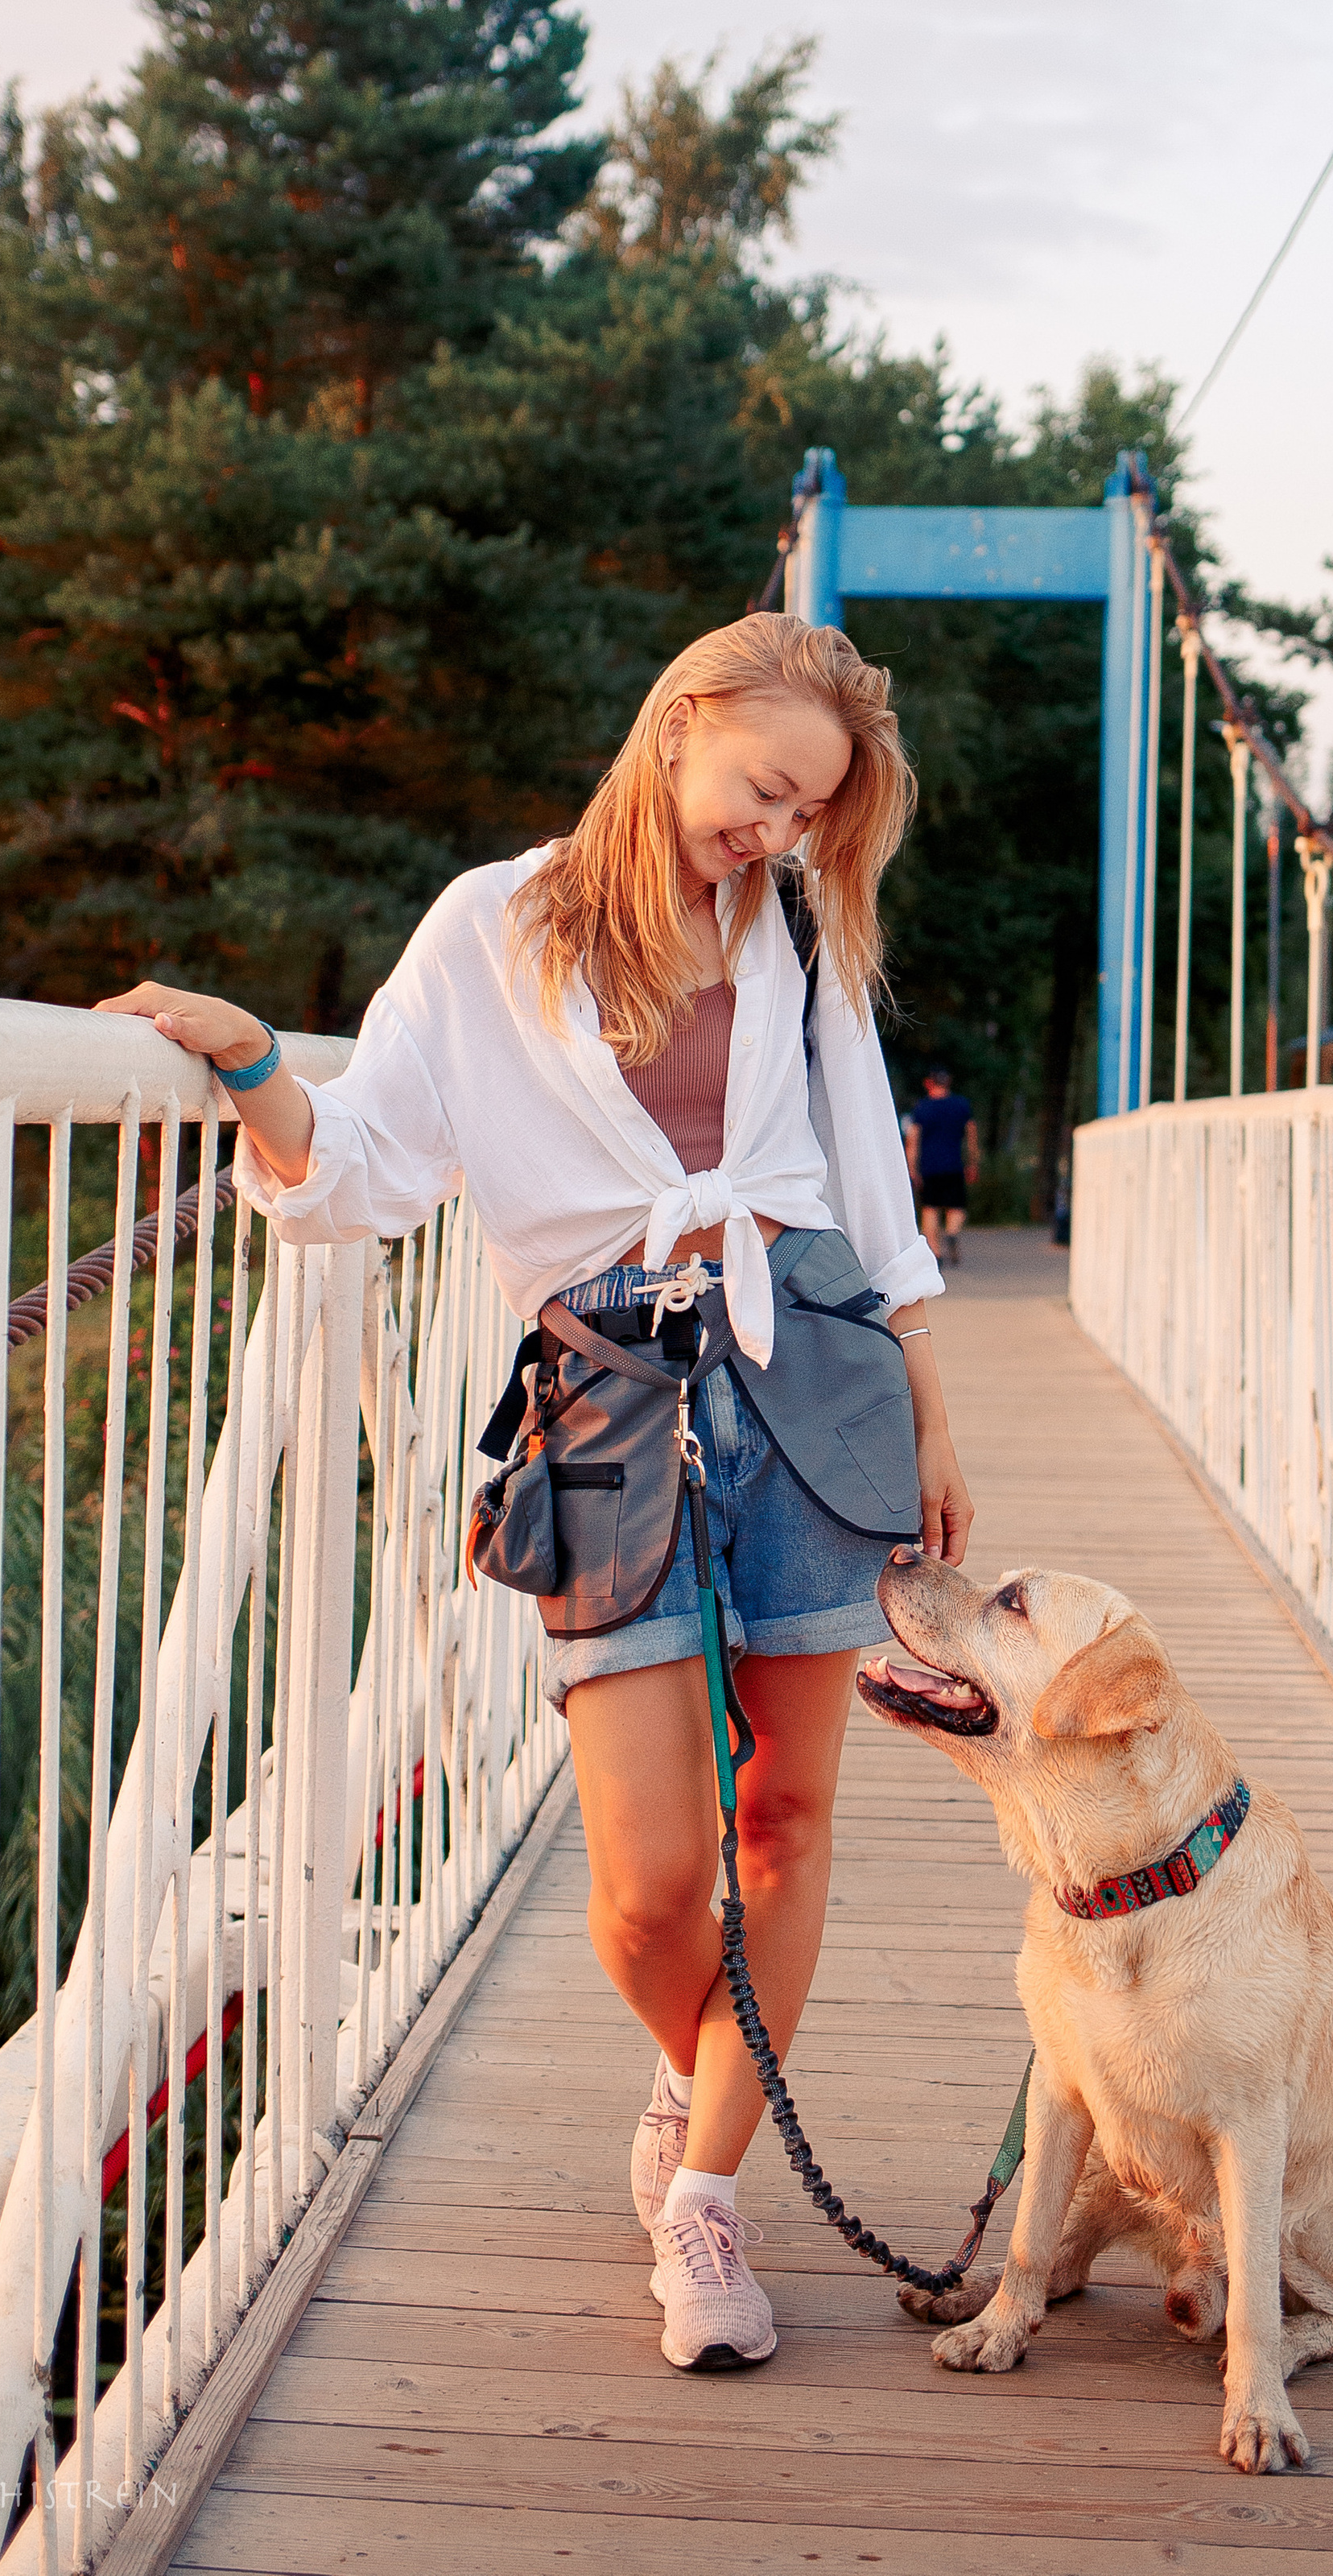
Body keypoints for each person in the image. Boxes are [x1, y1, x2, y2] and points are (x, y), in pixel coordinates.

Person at [97, 617, 973, 2376]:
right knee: (652, 1882)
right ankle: (692, 2068)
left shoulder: (797, 926)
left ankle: (709, 2198)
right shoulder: (492, 926)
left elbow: (870, 1196)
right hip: (609, 1398)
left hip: (809, 1370)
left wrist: (934, 1427)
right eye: (763, 789)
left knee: (786, 1820)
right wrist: (258, 1061)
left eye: (812, 809)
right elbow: (360, 1176)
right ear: (677, 731)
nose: (781, 832)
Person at [904, 1067, 978, 1266]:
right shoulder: (961, 1105)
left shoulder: (922, 1108)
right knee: (956, 1206)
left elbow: (913, 1140)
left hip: (929, 1168)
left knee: (931, 1208)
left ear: (929, 1083)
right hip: (954, 1165)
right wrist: (973, 1162)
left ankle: (936, 1252)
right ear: (948, 1083)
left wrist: (912, 1169)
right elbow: (971, 1134)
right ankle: (952, 1233)